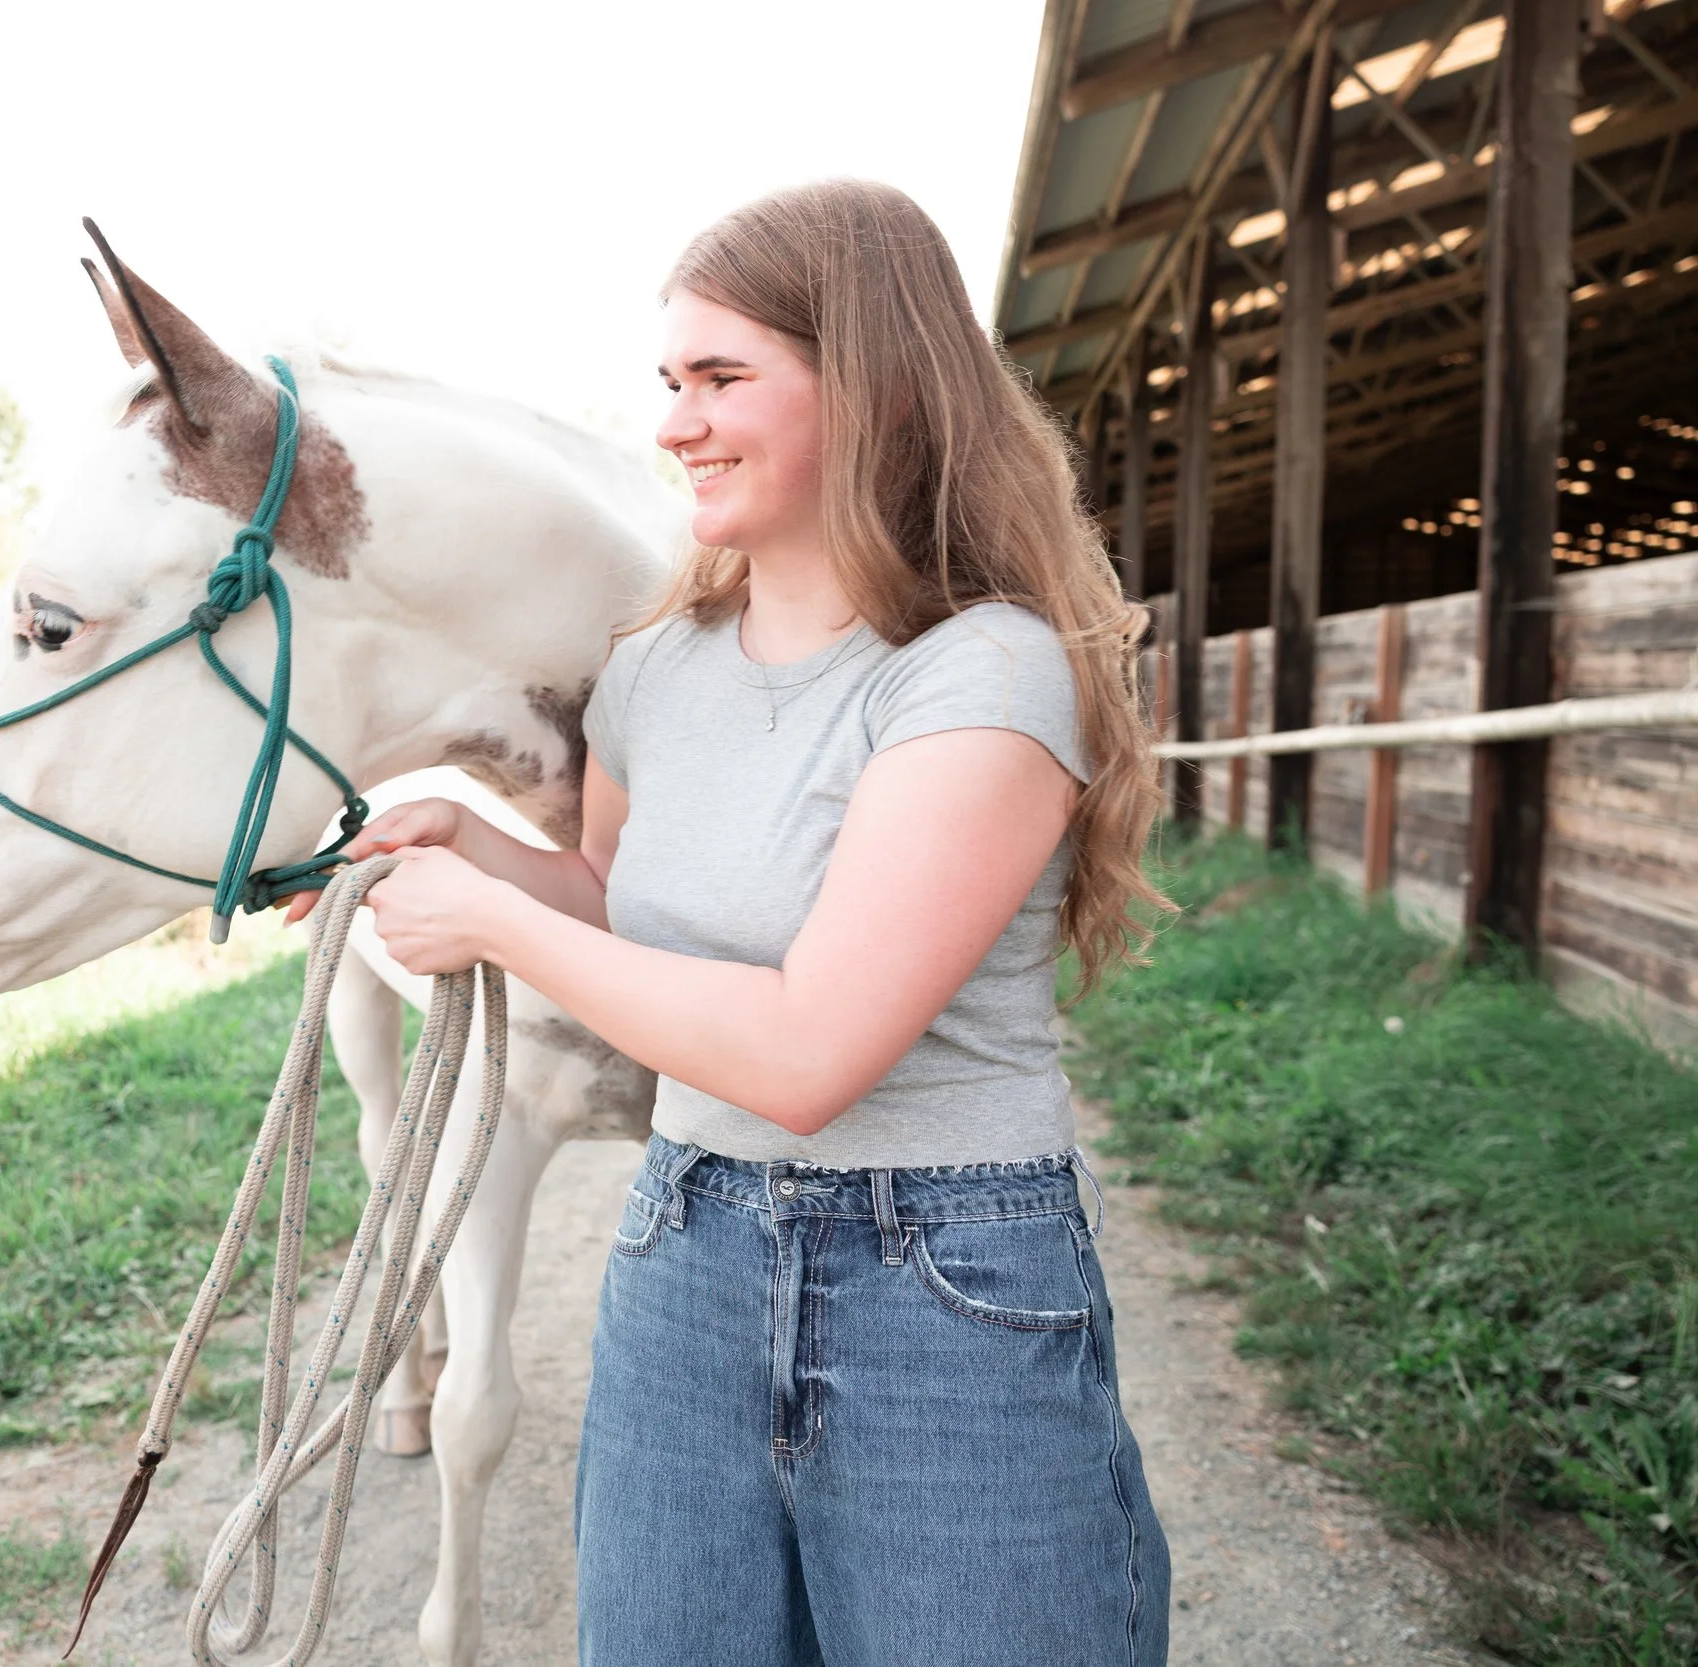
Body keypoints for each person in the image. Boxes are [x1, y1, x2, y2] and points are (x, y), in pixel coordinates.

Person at [323, 180, 1171, 1664]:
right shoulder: (657, 667)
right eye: (670, 382)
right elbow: (625, 913)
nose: (674, 423)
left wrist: (501, 929)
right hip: (686, 1250)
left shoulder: (984, 672)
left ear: (877, 386)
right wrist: (481, 853)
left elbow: (805, 1048)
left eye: (722, 379)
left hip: (944, 1289)